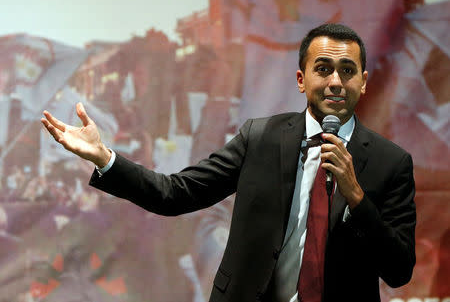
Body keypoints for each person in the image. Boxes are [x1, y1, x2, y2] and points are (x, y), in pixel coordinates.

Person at [41, 24, 416, 302]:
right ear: (302, 80)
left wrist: (356, 197)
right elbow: (175, 194)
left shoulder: (391, 163)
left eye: (347, 71)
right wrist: (105, 158)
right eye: (323, 69)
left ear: (364, 82)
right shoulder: (260, 138)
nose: (336, 81)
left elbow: (399, 272)